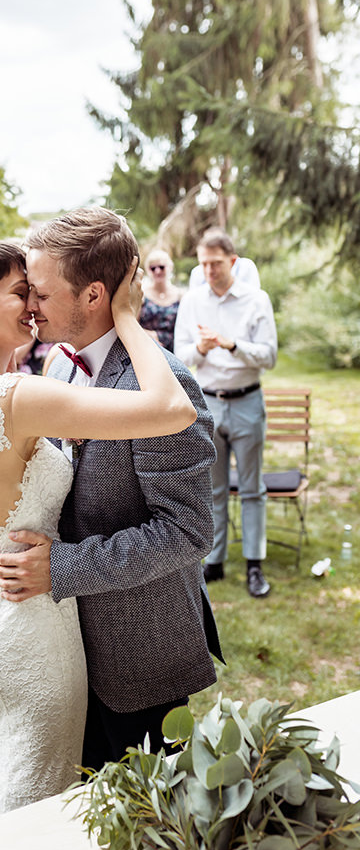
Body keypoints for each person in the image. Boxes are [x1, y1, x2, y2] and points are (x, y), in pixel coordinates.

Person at [0, 236, 198, 826]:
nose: (31, 307)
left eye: (37, 292)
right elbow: (170, 410)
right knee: (37, 805)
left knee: (3, 782)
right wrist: (129, 315)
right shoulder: (13, 396)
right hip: (29, 624)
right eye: (21, 293)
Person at [0, 208, 222, 775]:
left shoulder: (161, 383)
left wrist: (63, 567)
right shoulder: (59, 368)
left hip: (137, 648)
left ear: (93, 296)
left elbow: (188, 530)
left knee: (151, 824)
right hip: (67, 643)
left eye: (40, 292)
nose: (29, 304)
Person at [174, 227, 277, 598]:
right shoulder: (192, 300)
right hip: (208, 403)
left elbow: (270, 356)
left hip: (248, 400)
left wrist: (232, 345)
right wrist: (201, 348)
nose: (208, 271)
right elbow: (178, 355)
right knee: (213, 487)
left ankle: (254, 565)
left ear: (232, 261)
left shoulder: (256, 299)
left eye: (215, 263)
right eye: (203, 264)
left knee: (252, 488)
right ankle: (214, 561)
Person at [138, 247, 184, 351]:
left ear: (170, 267)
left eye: (161, 267)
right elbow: (132, 325)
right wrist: (148, 334)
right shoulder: (141, 294)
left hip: (175, 350)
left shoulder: (180, 295)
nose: (157, 271)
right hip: (149, 349)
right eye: (153, 268)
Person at [189, 253, 261, 290]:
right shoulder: (197, 271)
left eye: (217, 263)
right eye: (204, 264)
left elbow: (254, 292)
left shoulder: (246, 265)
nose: (209, 271)